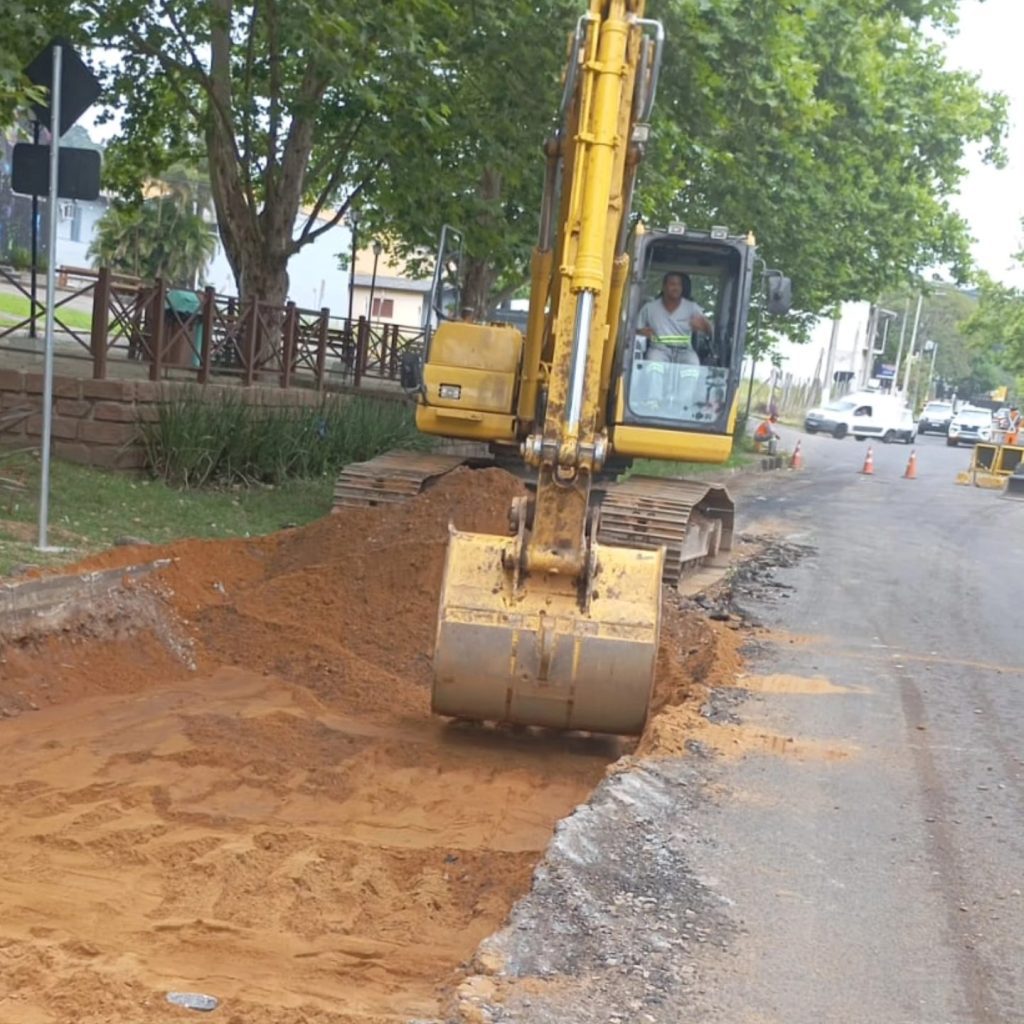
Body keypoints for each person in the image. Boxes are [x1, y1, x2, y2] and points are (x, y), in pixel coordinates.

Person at [637, 272, 713, 366]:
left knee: (693, 365)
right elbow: (635, 332)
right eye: (672, 284)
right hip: (658, 350)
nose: (676, 288)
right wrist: (641, 333)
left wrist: (705, 326)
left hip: (685, 352)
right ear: (664, 287)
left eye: (679, 285)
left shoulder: (692, 307)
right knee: (653, 366)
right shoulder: (649, 308)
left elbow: (710, 331)